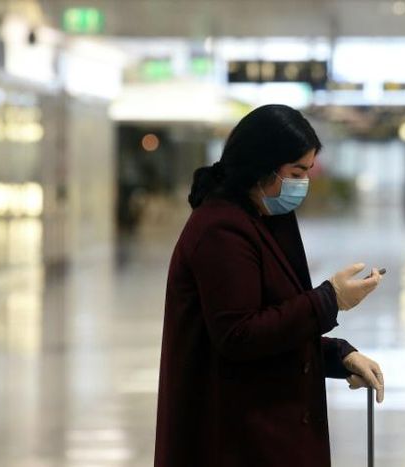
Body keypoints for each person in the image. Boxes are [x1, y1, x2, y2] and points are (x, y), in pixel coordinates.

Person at [154, 104, 385, 467]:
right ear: (262, 167)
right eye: (296, 172)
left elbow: (275, 321)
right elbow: (240, 334)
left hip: (263, 431)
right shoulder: (221, 231)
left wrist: (337, 354)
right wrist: (330, 299)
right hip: (234, 438)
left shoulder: (265, 219)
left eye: (307, 172)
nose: (303, 183)